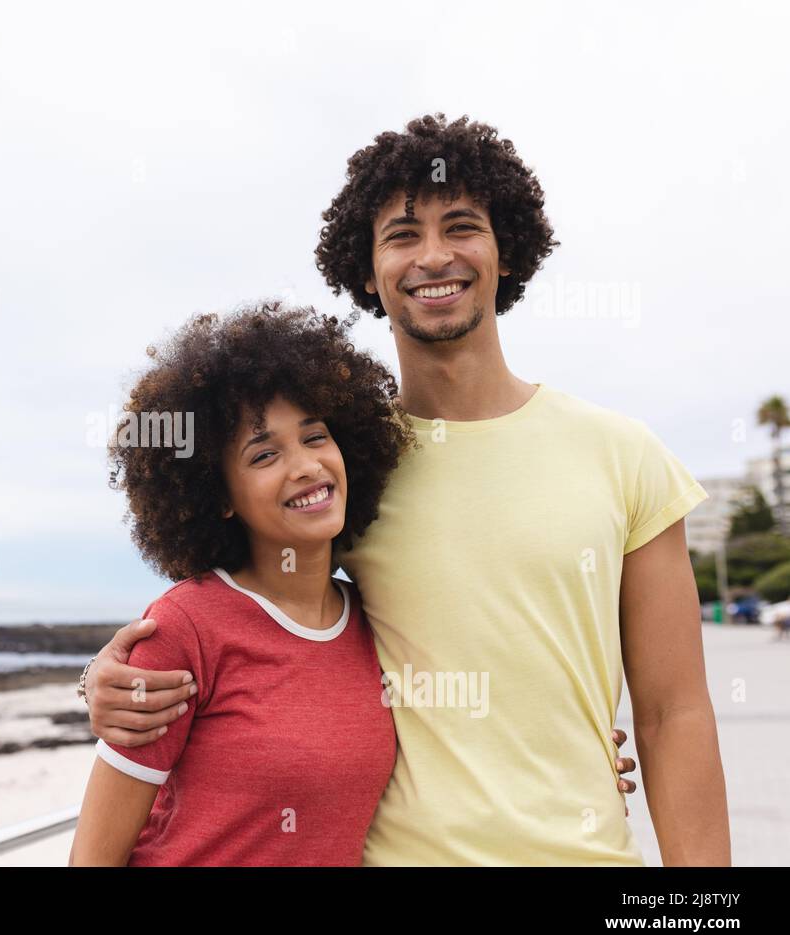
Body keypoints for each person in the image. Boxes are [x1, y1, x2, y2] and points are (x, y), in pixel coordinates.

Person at [84, 113, 725, 866]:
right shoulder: (346, 474)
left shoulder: (625, 455)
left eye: (462, 226)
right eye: (401, 235)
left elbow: (672, 714)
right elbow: (233, 612)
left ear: (505, 249)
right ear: (367, 269)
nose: (434, 256)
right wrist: (98, 681)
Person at [70, 302, 412, 865]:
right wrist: (89, 681)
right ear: (221, 497)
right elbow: (92, 859)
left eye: (316, 436)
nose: (304, 466)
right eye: (265, 454)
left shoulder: (376, 618)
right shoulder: (184, 625)